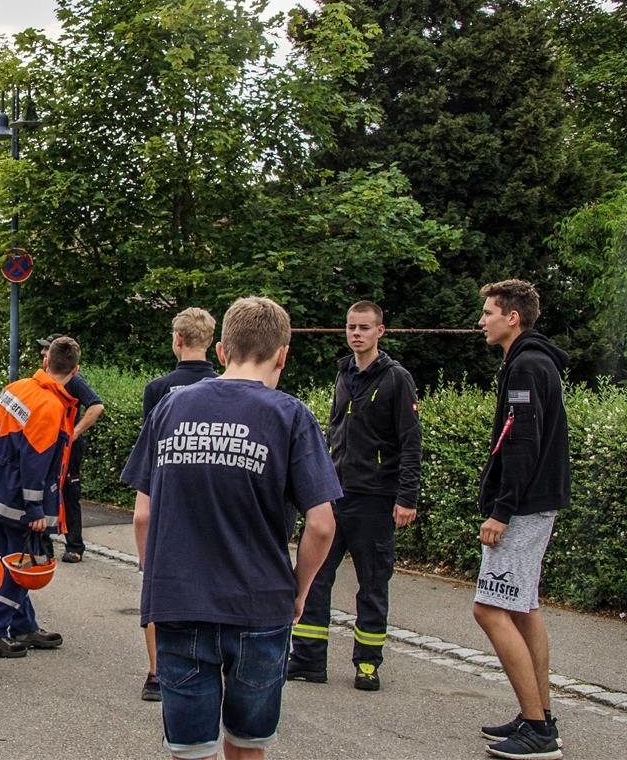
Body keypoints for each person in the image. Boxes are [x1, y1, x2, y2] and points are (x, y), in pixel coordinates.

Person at [123, 297, 339, 760]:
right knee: (246, 745)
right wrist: (298, 591)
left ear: (221, 350)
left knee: (191, 749)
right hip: (259, 604)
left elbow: (143, 515)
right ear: (283, 353)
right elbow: (321, 524)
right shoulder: (291, 415)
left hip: (179, 602)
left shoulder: (169, 408)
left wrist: (156, 577)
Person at [288, 300, 421, 692]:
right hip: (336, 494)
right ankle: (309, 659)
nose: (356, 333)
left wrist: (407, 497)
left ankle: (367, 663)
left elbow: (410, 443)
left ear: (380, 331)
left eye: (364, 327)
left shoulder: (397, 379)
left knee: (373, 582)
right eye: (351, 327)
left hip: (376, 497)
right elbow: (334, 429)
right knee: (314, 578)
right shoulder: (344, 372)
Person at [473, 280, 569, 760]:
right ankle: (539, 714)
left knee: (489, 609)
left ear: (513, 317)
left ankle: (537, 730)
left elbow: (521, 445)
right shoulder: (531, 361)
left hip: (524, 508)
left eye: (489, 312)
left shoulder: (525, 366)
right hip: (535, 502)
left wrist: (501, 512)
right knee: (523, 608)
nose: (482, 320)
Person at [0, 335, 81, 658]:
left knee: (10, 558)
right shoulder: (50, 406)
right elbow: (37, 461)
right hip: (20, 500)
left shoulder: (16, 388)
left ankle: (24, 625)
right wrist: (35, 509)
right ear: (74, 371)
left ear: (47, 362)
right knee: (23, 570)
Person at [137, 307, 220, 702]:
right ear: (214, 346)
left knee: (160, 586)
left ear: (178, 340)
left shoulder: (158, 389)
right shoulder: (223, 387)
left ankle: (157, 672)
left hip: (167, 498)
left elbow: (148, 453)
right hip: (212, 498)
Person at [36, 333, 104, 564]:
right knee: (43, 491)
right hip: (45, 446)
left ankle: (75, 546)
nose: (43, 353)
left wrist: (73, 432)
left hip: (68, 449)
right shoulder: (41, 381)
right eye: (43, 350)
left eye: (46, 349)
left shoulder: (74, 380)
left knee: (69, 494)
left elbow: (96, 406)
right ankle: (44, 548)